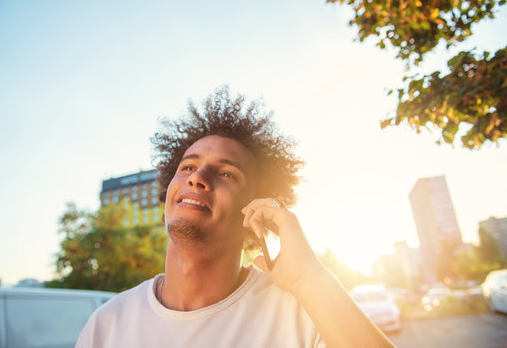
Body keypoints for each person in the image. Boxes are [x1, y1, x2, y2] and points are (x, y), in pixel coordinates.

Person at [76, 87, 395, 348]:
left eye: (227, 174)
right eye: (187, 166)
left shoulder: (303, 315)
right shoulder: (107, 325)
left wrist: (308, 278)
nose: (197, 177)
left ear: (256, 209)